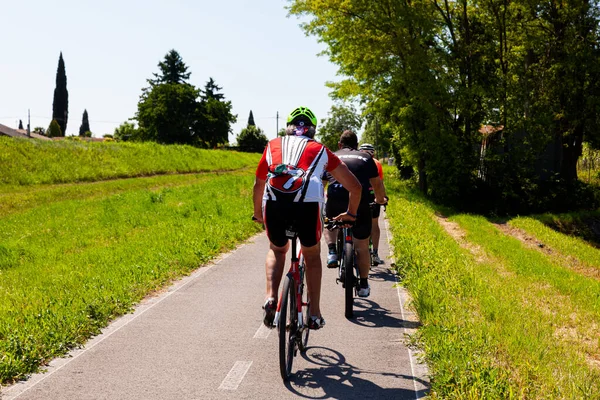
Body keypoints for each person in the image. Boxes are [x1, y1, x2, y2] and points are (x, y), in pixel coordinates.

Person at [252, 107, 362, 330]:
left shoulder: (272, 145)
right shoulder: (320, 149)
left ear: (288, 128)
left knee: (276, 249)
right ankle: (314, 314)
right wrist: (350, 213)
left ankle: (271, 298)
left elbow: (258, 184)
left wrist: (257, 214)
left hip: (275, 202)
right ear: (312, 130)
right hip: (308, 204)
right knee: (312, 256)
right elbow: (355, 186)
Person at [323, 131, 387, 297]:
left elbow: (321, 184)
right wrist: (381, 200)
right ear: (357, 145)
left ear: (339, 145)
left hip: (335, 200)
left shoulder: (331, 156)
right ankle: (364, 284)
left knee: (329, 221)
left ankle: (331, 252)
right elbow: (377, 184)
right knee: (362, 247)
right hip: (359, 203)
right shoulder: (366, 158)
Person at [358, 143, 387, 265]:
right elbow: (379, 183)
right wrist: (384, 198)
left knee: (357, 223)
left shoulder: (356, 160)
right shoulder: (376, 163)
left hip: (357, 195)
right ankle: (375, 253)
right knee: (374, 224)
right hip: (372, 196)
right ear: (373, 153)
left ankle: (358, 252)